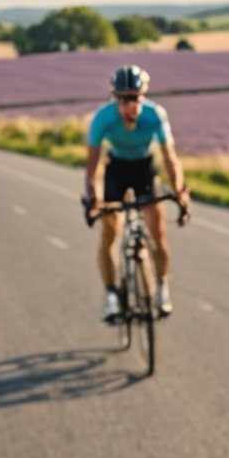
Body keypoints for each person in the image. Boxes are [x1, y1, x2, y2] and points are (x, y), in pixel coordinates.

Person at [83, 65, 190, 321]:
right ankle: (111, 293)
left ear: (143, 97)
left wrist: (179, 191)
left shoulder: (155, 115)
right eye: (123, 99)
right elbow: (93, 165)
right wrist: (94, 198)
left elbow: (170, 157)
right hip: (116, 169)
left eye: (135, 98)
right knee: (110, 232)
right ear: (114, 98)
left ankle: (161, 288)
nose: (130, 105)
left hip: (144, 169)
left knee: (158, 233)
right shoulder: (102, 118)